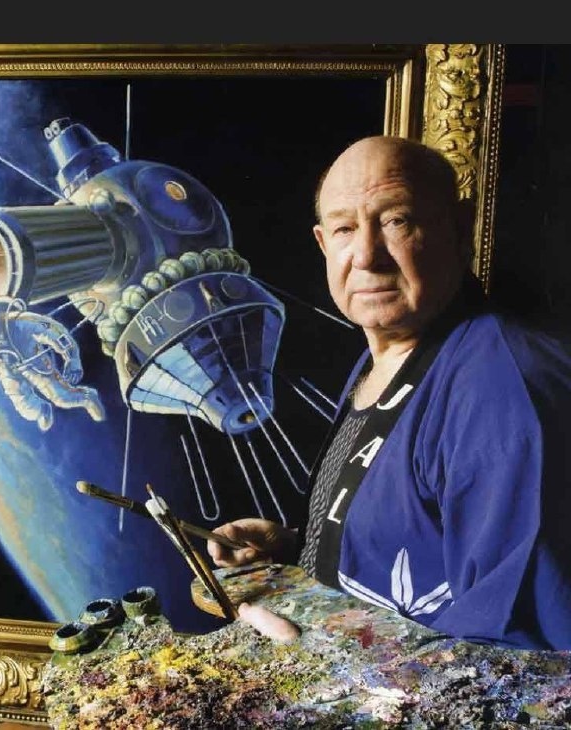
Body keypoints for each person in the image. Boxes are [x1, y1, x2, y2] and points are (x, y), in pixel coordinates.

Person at [208, 135, 571, 650]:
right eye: (344, 229)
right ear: (323, 244)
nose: (366, 255)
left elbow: (525, 660)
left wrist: (307, 658)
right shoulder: (391, 352)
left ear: (459, 227)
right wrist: (300, 547)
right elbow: (422, 546)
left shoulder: (503, 393)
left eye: (396, 220)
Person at [0, 285, 105, 431]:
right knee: (27, 408)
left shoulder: (16, 323)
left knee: (62, 398)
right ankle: (43, 410)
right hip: (8, 374)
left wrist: (72, 358)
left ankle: (87, 397)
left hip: (34, 363)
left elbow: (54, 332)